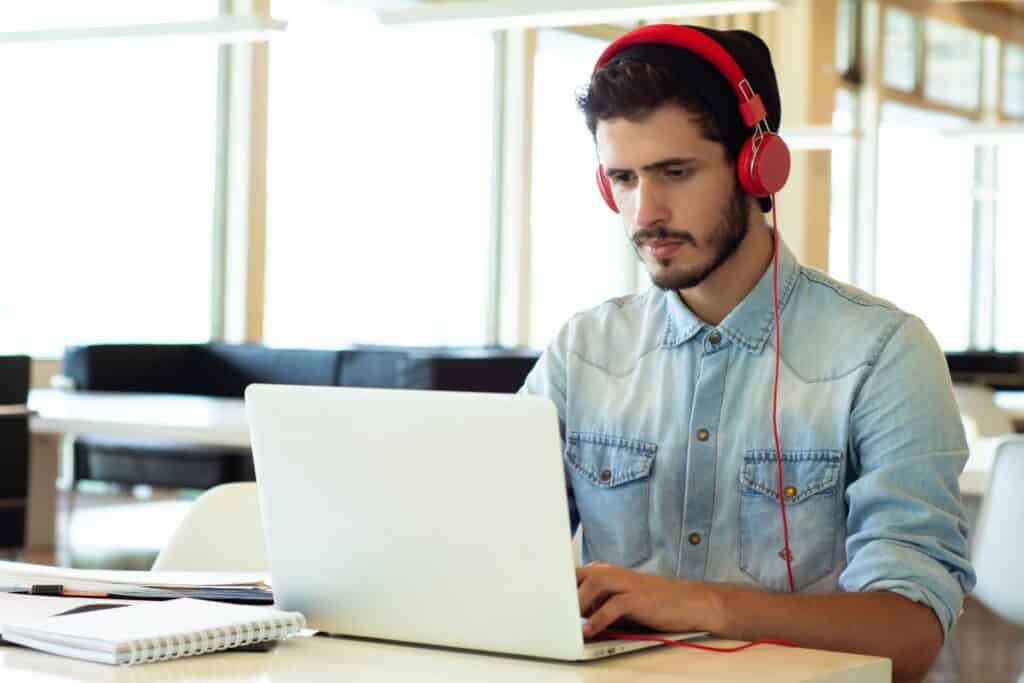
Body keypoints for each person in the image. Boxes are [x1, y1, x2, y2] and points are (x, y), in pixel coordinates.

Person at [519, 24, 974, 683]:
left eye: (675, 172)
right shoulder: (581, 352)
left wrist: (704, 605)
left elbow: (909, 632)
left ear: (757, 166)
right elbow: (490, 554)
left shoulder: (884, 353)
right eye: (622, 178)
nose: (644, 212)